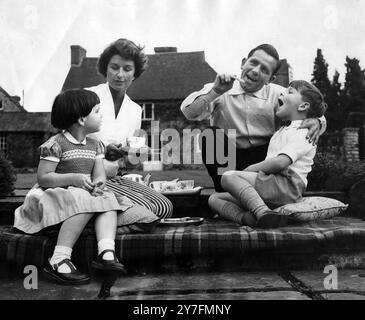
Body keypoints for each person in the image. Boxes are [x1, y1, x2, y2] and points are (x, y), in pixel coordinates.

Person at [14, 89, 160, 285]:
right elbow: (44, 178)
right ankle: (59, 259)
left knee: (106, 199)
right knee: (84, 201)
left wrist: (99, 182)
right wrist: (74, 178)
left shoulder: (95, 145)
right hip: (54, 193)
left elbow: (98, 173)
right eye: (97, 111)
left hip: (83, 192)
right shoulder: (56, 145)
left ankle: (106, 252)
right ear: (82, 120)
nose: (101, 116)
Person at [180, 44, 326, 191]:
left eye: (264, 70)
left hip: (265, 158)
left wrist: (317, 121)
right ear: (243, 63)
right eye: (253, 63)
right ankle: (225, 190)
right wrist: (215, 92)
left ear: (271, 78)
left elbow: (309, 108)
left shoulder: (280, 94)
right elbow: (188, 112)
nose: (256, 71)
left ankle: (261, 194)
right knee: (210, 136)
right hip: (228, 158)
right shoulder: (220, 87)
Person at [208, 80, 327, 229]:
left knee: (228, 176)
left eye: (290, 92)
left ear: (303, 106)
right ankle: (248, 219)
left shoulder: (304, 131)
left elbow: (281, 162)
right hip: (271, 183)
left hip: (286, 185)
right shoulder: (282, 131)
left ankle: (262, 211)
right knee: (214, 198)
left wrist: (248, 170)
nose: (283, 93)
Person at [87, 38, 173, 219]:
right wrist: (102, 151)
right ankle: (100, 218)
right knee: (147, 211)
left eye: (127, 69)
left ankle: (103, 215)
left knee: (163, 207)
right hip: (84, 177)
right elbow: (67, 141)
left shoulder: (134, 110)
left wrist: (134, 153)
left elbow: (128, 162)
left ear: (135, 73)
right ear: (105, 69)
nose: (120, 75)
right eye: (114, 67)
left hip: (114, 178)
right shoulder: (88, 96)